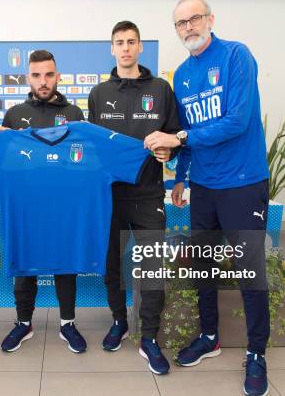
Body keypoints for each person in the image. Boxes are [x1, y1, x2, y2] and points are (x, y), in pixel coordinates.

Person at [144, 0, 271, 395]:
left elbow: (238, 120)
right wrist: (180, 177)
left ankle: (256, 353)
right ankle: (210, 336)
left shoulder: (236, 55)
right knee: (203, 269)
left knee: (250, 271)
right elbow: (187, 135)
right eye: (180, 23)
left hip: (243, 183)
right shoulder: (181, 74)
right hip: (203, 188)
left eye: (194, 19)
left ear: (210, 20)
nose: (188, 28)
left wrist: (178, 138)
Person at [88, 21, 181, 375]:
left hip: (149, 195)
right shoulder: (98, 93)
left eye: (131, 42)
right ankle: (118, 321)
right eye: (119, 43)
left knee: (152, 266)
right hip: (109, 195)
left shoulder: (160, 89)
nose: (125, 48)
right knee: (112, 263)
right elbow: (93, 148)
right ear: (112, 48)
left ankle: (150, 337)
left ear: (140, 47)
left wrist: (167, 154)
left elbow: (173, 137)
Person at [0, 50, 87, 353]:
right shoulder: (13, 115)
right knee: (25, 264)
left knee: (65, 264)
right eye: (36, 75)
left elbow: (85, 160)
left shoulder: (75, 114)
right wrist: (1, 142)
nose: (43, 81)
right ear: (28, 78)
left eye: (49, 74)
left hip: (63, 206)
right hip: (26, 207)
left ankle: (68, 323)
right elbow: (5, 164)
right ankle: (24, 323)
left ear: (58, 76)